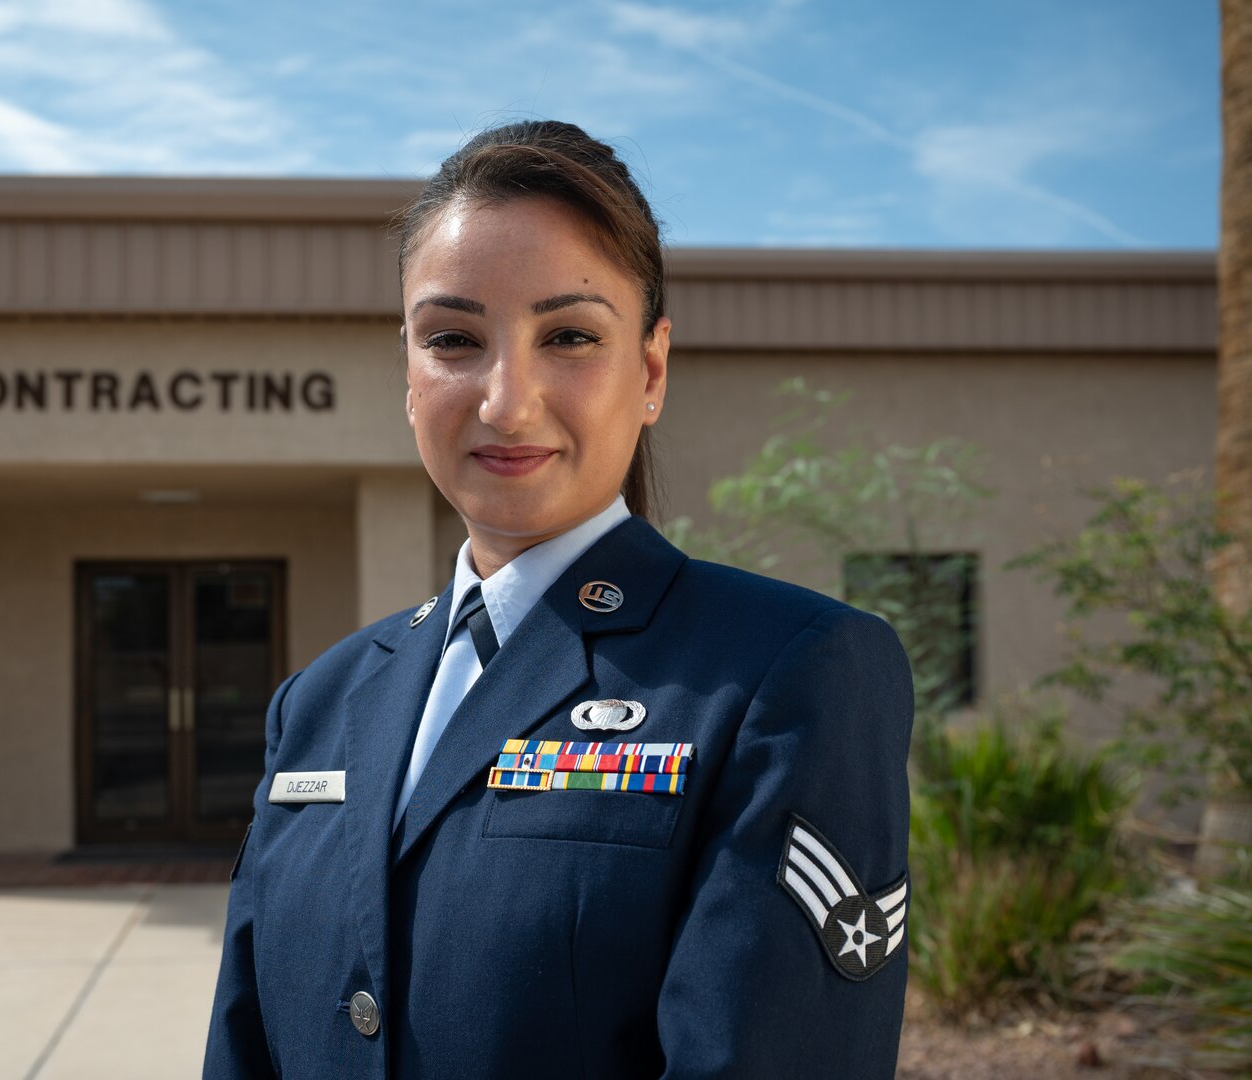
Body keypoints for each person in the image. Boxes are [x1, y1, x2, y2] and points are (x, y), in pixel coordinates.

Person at [204, 119, 914, 1079]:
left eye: (569, 335)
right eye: (452, 338)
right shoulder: (318, 704)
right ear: (409, 374)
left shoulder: (784, 676)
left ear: (650, 371)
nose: (506, 400)